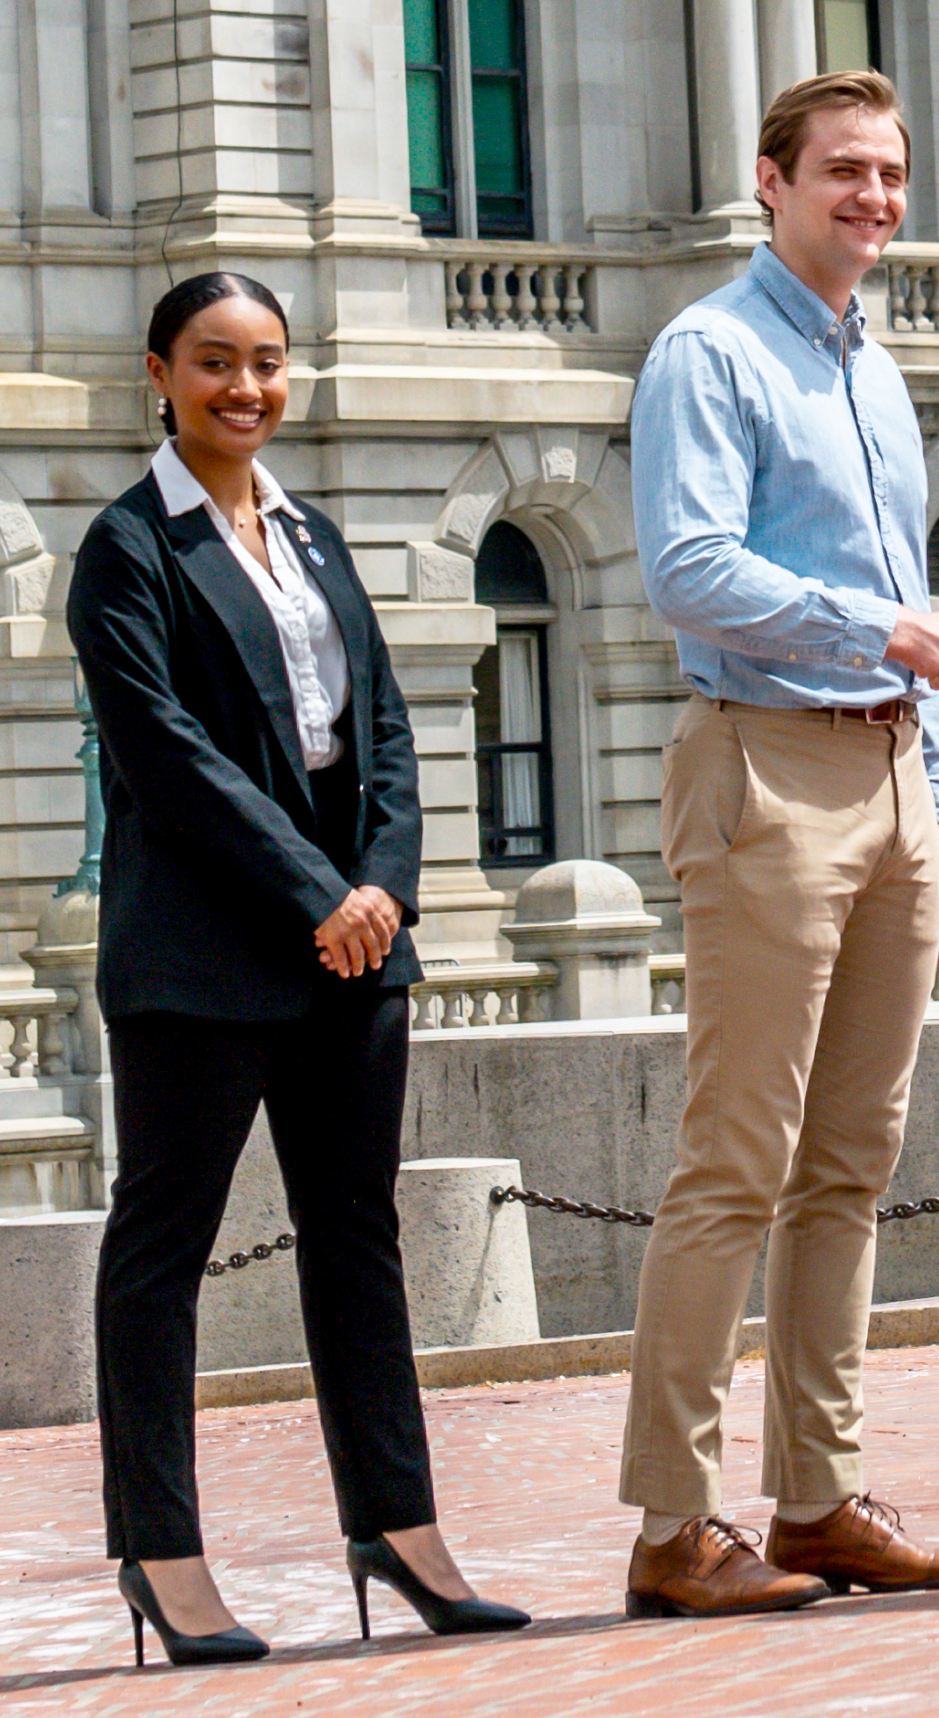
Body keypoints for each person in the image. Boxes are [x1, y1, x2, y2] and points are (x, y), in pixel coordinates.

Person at [68, 273, 529, 1667]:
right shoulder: (126, 548)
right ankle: (162, 1552)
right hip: (203, 959)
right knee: (162, 1254)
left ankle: (397, 1526)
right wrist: (317, 892)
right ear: (160, 371)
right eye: (215, 363)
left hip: (353, 954)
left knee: (357, 1241)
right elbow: (167, 761)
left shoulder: (316, 533)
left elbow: (383, 725)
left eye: (268, 363)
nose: (245, 389)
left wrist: (384, 884)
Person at [620, 71, 939, 1617]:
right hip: (761, 771)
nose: (872, 196)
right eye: (842, 169)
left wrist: (938, 799)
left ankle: (816, 1497)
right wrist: (887, 634)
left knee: (852, 1161)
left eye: (891, 173)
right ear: (770, 182)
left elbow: (891, 588)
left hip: (886, 782)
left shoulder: (878, 371)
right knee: (734, 1159)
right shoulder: (707, 353)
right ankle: (670, 1524)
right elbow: (688, 566)